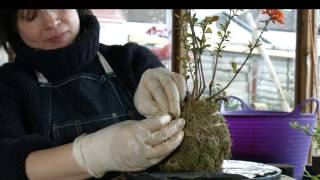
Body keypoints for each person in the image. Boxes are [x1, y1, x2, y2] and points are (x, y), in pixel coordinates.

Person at [0, 9, 187, 180]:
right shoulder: (9, 84)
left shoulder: (131, 61)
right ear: (13, 27)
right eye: (31, 14)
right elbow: (5, 163)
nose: (51, 20)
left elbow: (192, 132)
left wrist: (174, 97)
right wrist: (94, 155)